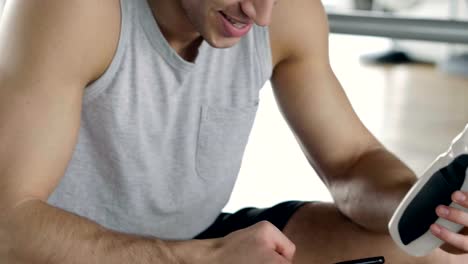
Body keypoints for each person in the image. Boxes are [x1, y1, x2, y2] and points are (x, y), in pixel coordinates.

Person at [0, 0, 466, 263]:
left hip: (200, 239)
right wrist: (206, 260)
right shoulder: (72, 11)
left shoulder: (284, 11)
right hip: (69, 255)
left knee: (432, 255)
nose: (260, 14)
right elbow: (9, 227)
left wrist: (426, 206)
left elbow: (352, 162)